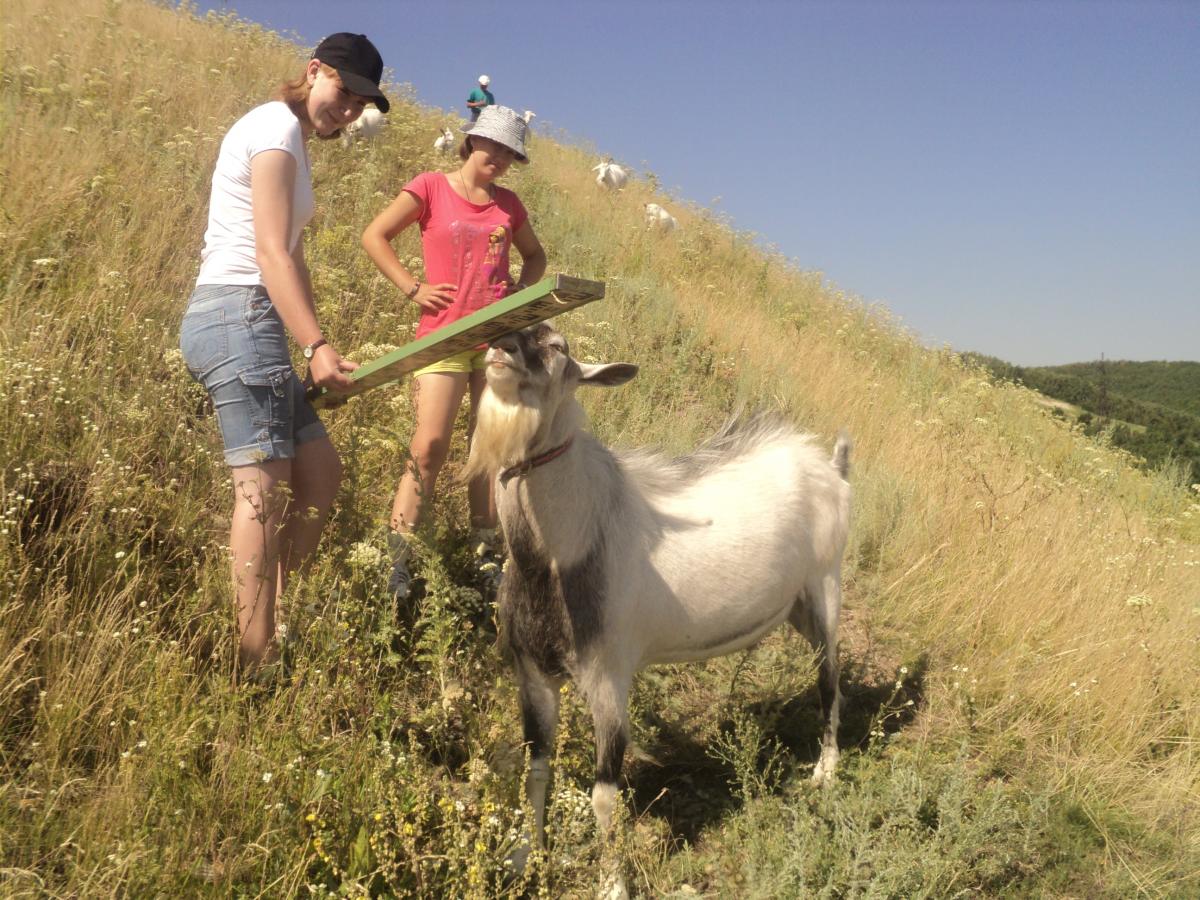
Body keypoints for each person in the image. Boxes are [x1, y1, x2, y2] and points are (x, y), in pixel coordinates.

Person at [179, 33, 389, 677]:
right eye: (342, 91)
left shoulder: (292, 141)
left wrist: (310, 340)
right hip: (240, 313)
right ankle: (252, 656)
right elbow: (270, 253)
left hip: (259, 320)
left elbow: (292, 257)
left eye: (360, 102)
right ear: (313, 71)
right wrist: (316, 345)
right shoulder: (274, 129)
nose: (349, 109)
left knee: (321, 473)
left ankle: (267, 610)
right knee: (264, 497)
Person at [362, 105, 547, 600]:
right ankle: (396, 561)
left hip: (497, 343)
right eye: (497, 148)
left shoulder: (509, 205)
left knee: (487, 451)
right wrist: (412, 288)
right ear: (472, 141)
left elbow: (536, 257)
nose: (503, 159)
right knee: (429, 447)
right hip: (441, 336)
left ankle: (485, 560)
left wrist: (519, 297)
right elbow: (375, 236)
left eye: (511, 153)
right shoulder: (429, 187)